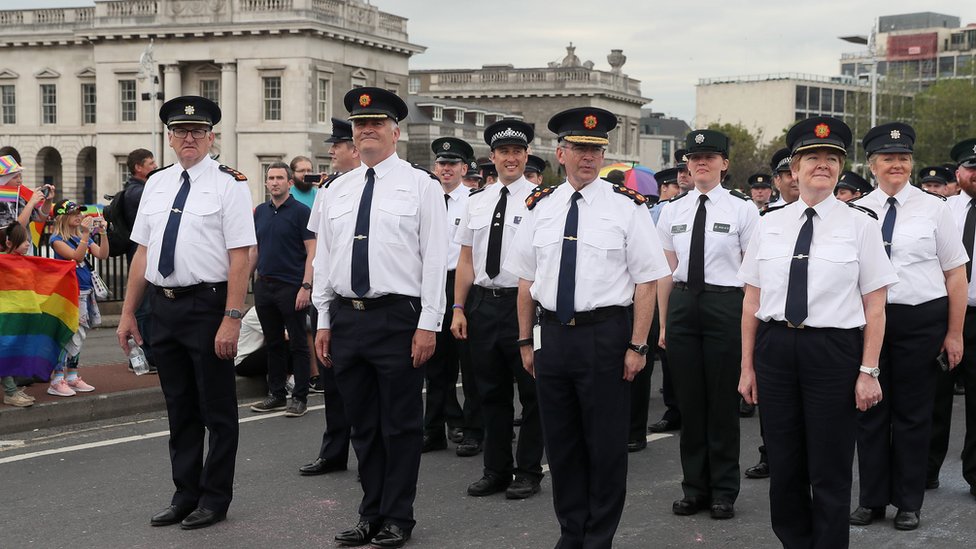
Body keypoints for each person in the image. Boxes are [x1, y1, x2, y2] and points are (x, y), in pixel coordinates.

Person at [506, 107, 670, 547]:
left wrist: (638, 345)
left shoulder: (627, 207)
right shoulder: (541, 206)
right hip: (552, 337)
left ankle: (599, 538)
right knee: (561, 446)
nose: (588, 157)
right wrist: (526, 340)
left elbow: (646, 282)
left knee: (604, 447)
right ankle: (570, 532)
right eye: (579, 148)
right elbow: (526, 281)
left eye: (595, 150)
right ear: (561, 152)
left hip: (605, 336)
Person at [738, 116, 898, 549]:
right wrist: (747, 367)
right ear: (794, 169)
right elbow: (752, 301)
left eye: (831, 158)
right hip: (776, 348)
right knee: (785, 466)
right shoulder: (768, 224)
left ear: (841, 167)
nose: (822, 165)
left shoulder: (861, 225)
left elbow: (875, 306)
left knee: (829, 467)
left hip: (833, 351)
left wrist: (869, 370)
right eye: (812, 158)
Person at [311, 87, 447, 548]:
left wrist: (429, 323)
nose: (366, 130)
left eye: (376, 124)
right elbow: (325, 259)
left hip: (398, 318)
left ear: (395, 131)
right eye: (359, 125)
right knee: (363, 424)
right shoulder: (337, 189)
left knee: (401, 425)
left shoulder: (421, 186)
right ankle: (370, 513)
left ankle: (398, 518)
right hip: (348, 319)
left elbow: (434, 260)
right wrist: (324, 319)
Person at [116, 95, 255, 530]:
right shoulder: (156, 184)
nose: (188, 137)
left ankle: (215, 499)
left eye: (197, 131)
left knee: (217, 409)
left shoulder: (229, 184)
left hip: (207, 306)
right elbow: (142, 253)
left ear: (211, 137)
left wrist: (232, 317)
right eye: (180, 131)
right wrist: (127, 315)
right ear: (170, 138)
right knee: (179, 408)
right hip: (164, 306)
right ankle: (185, 493)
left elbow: (241, 256)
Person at [849, 123, 967, 531]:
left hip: (920, 321)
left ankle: (908, 502)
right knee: (870, 411)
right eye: (887, 158)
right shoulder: (856, 211)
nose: (895, 165)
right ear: (872, 165)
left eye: (902, 158)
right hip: (870, 323)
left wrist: (954, 333)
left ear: (911, 163)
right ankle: (872, 500)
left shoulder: (936, 209)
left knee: (915, 415)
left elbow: (956, 275)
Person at [656, 129, 759, 520]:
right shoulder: (672, 210)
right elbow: (666, 272)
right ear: (687, 163)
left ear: (724, 164)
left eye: (710, 157)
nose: (701, 163)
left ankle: (723, 491)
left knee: (720, 402)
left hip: (725, 304)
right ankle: (694, 487)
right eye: (695, 157)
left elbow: (752, 274)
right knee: (690, 402)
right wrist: (664, 324)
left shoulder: (742, 209)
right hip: (683, 305)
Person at [451, 119, 544, 498]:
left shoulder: (542, 201)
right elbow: (466, 260)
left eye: (517, 152)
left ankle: (528, 471)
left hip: (523, 306)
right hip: (483, 306)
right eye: (504, 152)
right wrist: (458, 306)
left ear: (525, 157)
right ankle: (496, 469)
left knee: (532, 393)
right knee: (489, 393)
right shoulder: (477, 201)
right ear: (492, 157)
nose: (511, 158)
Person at [300, 117, 357, 477]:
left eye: (337, 145)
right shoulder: (329, 189)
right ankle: (334, 450)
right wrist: (314, 292)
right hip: (334, 298)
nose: (332, 151)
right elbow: (320, 249)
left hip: (370, 302)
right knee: (333, 381)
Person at [422, 136, 479, 455]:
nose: (446, 169)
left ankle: (470, 426)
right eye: (442, 164)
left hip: (463, 284)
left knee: (468, 362)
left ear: (463, 168)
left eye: (453, 164)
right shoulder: (426, 198)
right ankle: (435, 427)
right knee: (435, 361)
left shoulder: (473, 200)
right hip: (431, 282)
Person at [247, 162, 315, 417]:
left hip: (292, 287)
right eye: (270, 178)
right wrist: (245, 280)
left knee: (298, 343)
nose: (274, 182)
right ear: (266, 183)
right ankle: (275, 393)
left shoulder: (301, 212)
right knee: (273, 342)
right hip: (265, 286)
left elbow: (312, 252)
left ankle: (299, 397)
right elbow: (255, 250)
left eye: (279, 178)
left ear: (289, 182)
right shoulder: (260, 212)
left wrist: (306, 286)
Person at [47, 200, 108, 397]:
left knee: (79, 336)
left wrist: (104, 233)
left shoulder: (82, 237)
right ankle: (56, 380)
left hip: (86, 292)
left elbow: (103, 254)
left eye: (79, 212)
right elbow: (77, 257)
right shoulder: (57, 239)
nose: (79, 215)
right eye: (74, 212)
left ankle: (72, 375)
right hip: (69, 292)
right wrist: (85, 234)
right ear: (62, 216)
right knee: (69, 336)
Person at [944, 137, 976, 501]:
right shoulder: (942, 209)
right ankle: (925, 470)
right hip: (945, 315)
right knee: (933, 398)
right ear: (959, 174)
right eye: (971, 167)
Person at [121, 148, 159, 373]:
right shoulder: (137, 192)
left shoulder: (139, 189)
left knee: (147, 307)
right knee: (144, 309)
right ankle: (146, 356)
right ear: (138, 167)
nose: (155, 166)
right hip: (140, 255)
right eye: (151, 163)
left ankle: (147, 355)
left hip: (144, 254)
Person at [0, 221, 37, 408]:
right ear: (8, 243)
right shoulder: (3, 261)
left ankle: (12, 388)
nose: (28, 244)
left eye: (28, 240)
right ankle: (10, 392)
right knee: (5, 351)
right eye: (23, 241)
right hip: (5, 318)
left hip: (18, 317)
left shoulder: (25, 261)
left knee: (13, 351)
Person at [0, 155, 53, 251]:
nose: (20, 180)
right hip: (9, 252)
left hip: (26, 248)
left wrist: (48, 201)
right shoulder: (2, 200)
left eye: (20, 176)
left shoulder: (21, 194)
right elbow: (15, 229)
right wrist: (31, 202)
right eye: (15, 177)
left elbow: (40, 218)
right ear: (4, 179)